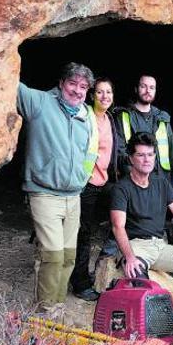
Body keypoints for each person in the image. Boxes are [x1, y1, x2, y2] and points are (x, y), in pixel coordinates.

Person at [16, 62, 98, 312]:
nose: (77, 90)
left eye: (83, 86)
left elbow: (90, 152)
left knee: (68, 256)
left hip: (73, 195)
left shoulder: (86, 115)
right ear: (61, 83)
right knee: (52, 255)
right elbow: (8, 83)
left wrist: (82, 179)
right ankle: (45, 309)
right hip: (44, 192)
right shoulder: (40, 103)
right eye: (72, 83)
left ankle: (58, 304)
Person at [110, 132, 173, 280]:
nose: (147, 160)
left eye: (151, 155)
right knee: (138, 278)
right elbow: (117, 226)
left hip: (160, 246)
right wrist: (130, 257)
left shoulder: (161, 182)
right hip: (137, 247)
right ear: (131, 158)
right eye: (141, 155)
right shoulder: (121, 188)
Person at [69, 78, 116, 301]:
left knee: (114, 223)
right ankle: (80, 283)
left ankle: (99, 273)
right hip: (85, 183)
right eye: (99, 92)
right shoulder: (84, 116)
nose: (104, 96)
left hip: (103, 182)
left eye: (108, 92)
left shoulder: (110, 119)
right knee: (84, 233)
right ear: (92, 95)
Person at [114, 74, 173, 180]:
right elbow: (119, 151)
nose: (148, 91)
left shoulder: (162, 118)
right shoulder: (124, 116)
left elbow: (171, 154)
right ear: (136, 89)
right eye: (143, 86)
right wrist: (132, 175)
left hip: (160, 180)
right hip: (133, 179)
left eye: (152, 88)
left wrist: (172, 183)